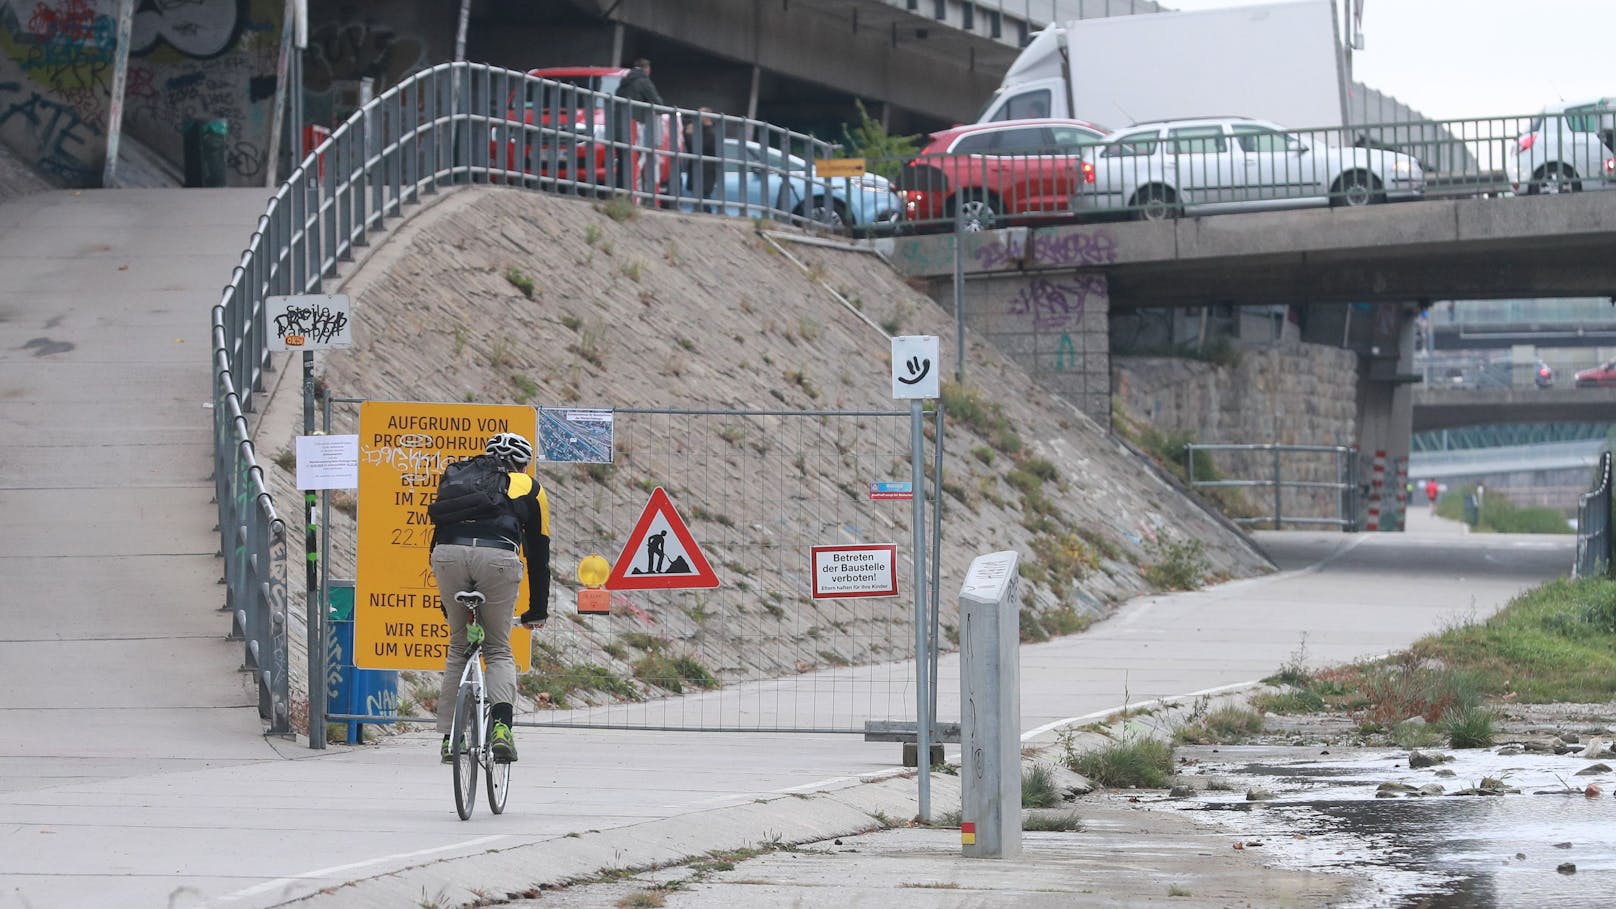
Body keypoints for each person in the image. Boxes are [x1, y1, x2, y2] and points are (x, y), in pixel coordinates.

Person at [430, 432, 551, 763]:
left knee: (458, 647)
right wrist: (536, 610)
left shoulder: (460, 476)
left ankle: (450, 738)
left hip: (447, 556)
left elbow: (437, 533)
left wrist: (447, 600)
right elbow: (539, 553)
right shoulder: (530, 488)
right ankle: (502, 730)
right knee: (498, 649)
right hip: (497, 558)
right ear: (523, 464)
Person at [612, 57, 664, 192]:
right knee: (635, 159)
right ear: (646, 69)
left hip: (618, 126)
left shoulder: (624, 82)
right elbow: (658, 104)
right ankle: (633, 192)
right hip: (634, 126)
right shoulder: (643, 82)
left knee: (623, 159)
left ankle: (620, 191)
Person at [683, 106, 721, 209]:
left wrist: (689, 135)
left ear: (707, 117)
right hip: (699, 170)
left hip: (705, 171)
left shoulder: (710, 133)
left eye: (699, 115)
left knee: (703, 200)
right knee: (698, 200)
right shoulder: (702, 131)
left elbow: (698, 149)